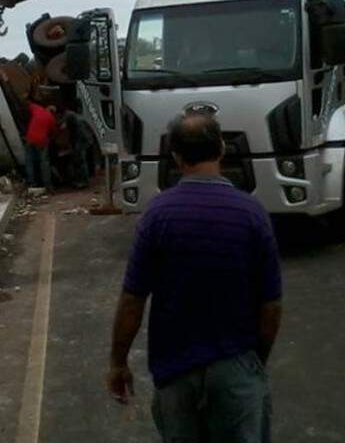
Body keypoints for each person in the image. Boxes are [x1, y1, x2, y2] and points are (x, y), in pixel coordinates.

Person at [107, 113, 282, 443]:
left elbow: (133, 299)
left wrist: (118, 362)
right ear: (221, 148)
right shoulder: (251, 213)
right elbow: (271, 304)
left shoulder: (156, 214)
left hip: (175, 371)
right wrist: (255, 362)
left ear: (175, 155)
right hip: (236, 367)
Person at [24, 100, 56, 189]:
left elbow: (28, 104)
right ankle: (48, 184)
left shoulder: (38, 109)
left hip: (30, 139)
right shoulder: (52, 119)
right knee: (44, 163)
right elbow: (52, 134)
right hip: (42, 141)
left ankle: (32, 183)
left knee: (29, 161)